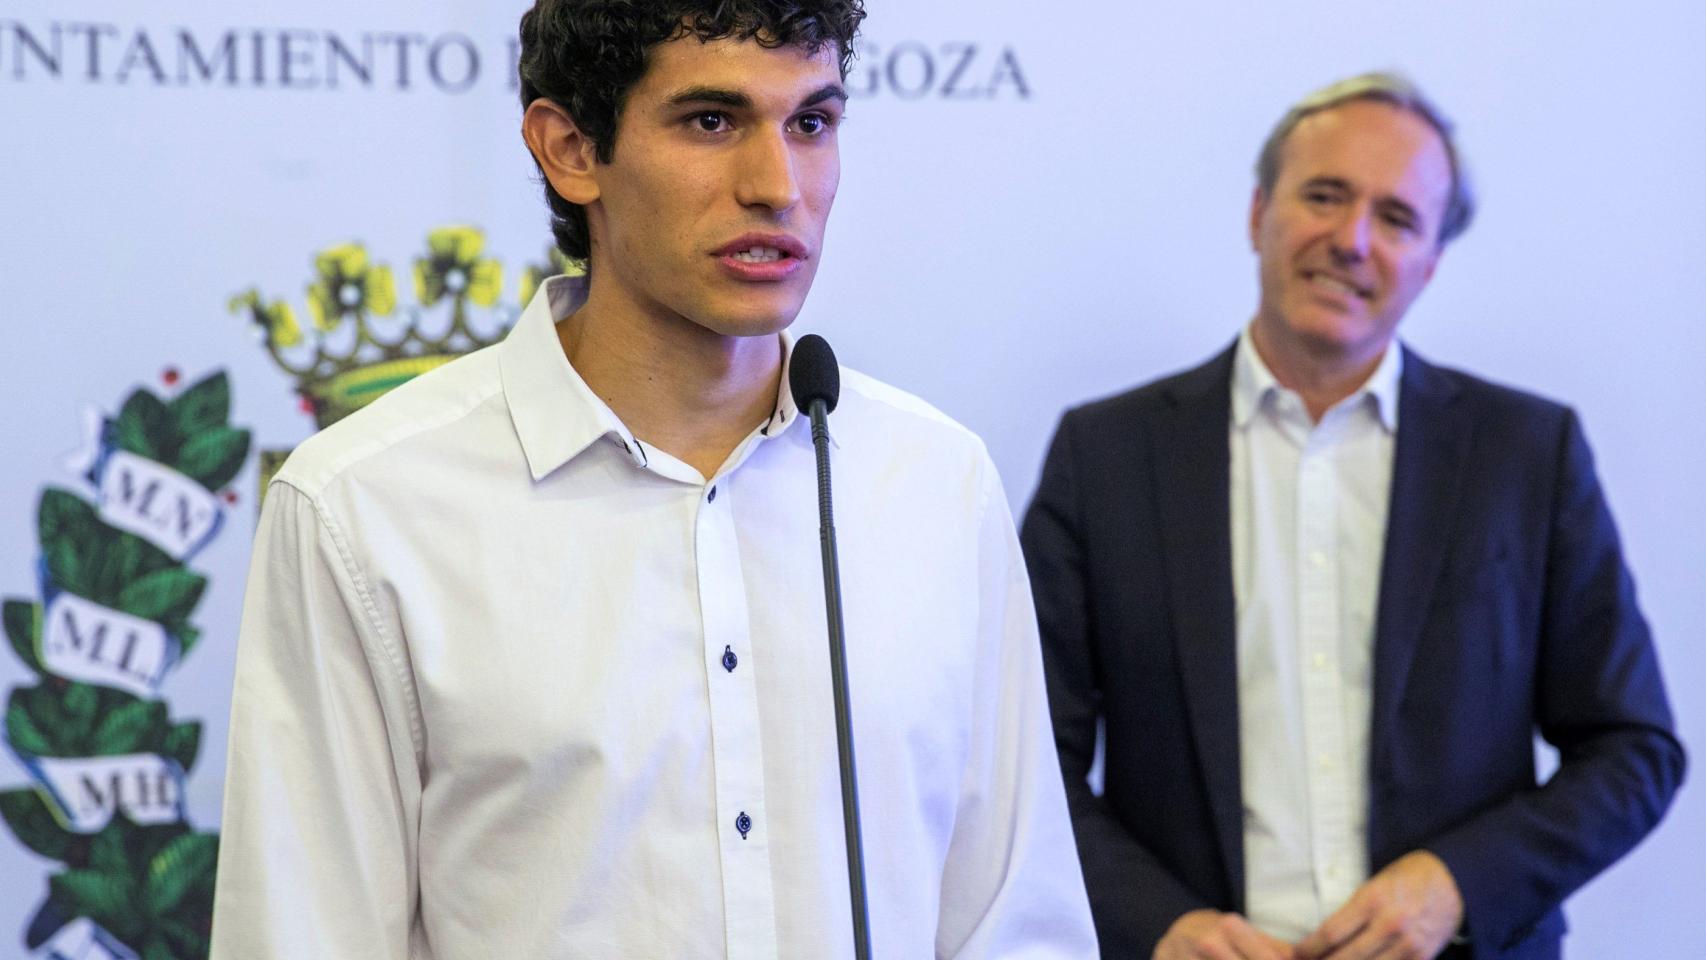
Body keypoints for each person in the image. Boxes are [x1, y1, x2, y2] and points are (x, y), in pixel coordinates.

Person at [210, 2, 1097, 957]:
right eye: (712, 122)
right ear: (570, 149)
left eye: (812, 123)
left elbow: (1017, 924)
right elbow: (302, 933)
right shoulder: (364, 502)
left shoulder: (935, 480)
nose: (778, 185)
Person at [1020, 73, 1684, 960]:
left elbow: (1634, 750)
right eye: (1324, 196)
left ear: (1432, 261)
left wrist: (1458, 884)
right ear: (1258, 213)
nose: (1352, 241)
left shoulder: (1528, 454)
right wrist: (1155, 923)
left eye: (1398, 219)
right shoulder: (1106, 455)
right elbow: (1023, 760)